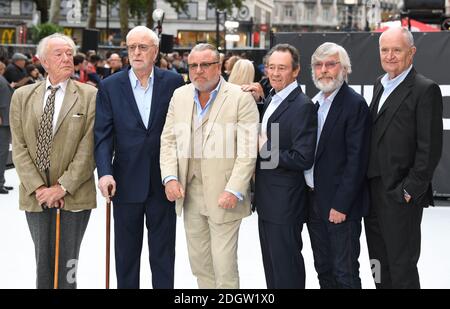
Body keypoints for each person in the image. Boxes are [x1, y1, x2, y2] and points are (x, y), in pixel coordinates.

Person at [160, 43, 259, 289]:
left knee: (224, 267)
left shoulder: (240, 98)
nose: (198, 71)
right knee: (200, 264)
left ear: (219, 67)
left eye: (205, 65)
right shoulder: (179, 96)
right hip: (190, 193)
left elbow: (247, 152)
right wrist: (170, 178)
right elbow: (168, 141)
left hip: (224, 194)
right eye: (193, 65)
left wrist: (234, 189)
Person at [95, 26, 185, 289]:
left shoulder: (173, 82)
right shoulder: (110, 86)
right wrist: (105, 173)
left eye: (143, 47)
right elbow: (102, 135)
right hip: (124, 184)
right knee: (126, 259)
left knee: (163, 257)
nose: (136, 52)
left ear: (155, 52)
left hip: (163, 184)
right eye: (131, 47)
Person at [9, 33, 97, 289]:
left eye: (69, 53)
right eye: (59, 54)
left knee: (68, 263)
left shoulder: (89, 95)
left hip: (74, 194)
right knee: (43, 261)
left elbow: (88, 148)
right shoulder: (23, 96)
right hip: (35, 196)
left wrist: (62, 187)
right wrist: (39, 189)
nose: (67, 58)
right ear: (44, 61)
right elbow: (20, 147)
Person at [365, 27, 443, 289]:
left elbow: (429, 148)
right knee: (377, 264)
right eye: (384, 50)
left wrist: (409, 190)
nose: (390, 56)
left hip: (400, 197)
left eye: (396, 50)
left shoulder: (425, 89)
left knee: (402, 268)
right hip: (373, 195)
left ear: (412, 52)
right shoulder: (379, 84)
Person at [304, 42, 371, 289]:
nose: (324, 70)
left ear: (344, 69)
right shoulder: (314, 103)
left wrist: (341, 205)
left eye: (330, 64)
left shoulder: (354, 105)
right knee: (323, 270)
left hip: (339, 207)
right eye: (318, 65)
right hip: (313, 204)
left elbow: (357, 160)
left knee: (345, 273)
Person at [252, 44, 317, 289]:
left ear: (296, 71)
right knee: (272, 269)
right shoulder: (272, 98)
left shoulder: (303, 106)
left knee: (286, 270)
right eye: (271, 67)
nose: (275, 73)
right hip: (268, 202)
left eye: (282, 68)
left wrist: (265, 149)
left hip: (285, 205)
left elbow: (303, 158)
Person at [0, 61, 14, 194]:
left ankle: (1, 181)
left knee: (3, 152)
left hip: (5, 118)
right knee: (2, 152)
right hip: (2, 120)